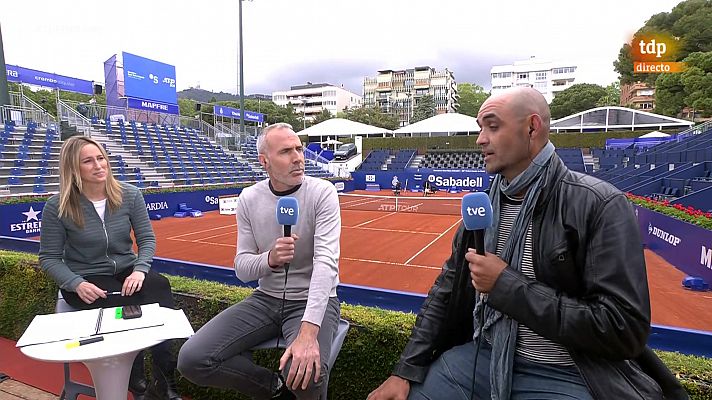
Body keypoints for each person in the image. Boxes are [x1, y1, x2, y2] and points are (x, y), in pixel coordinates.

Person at [367, 87, 687, 400]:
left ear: (532, 127)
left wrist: (506, 285)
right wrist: (404, 371)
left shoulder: (599, 203)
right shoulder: (482, 208)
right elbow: (446, 290)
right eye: (481, 128)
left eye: (493, 126)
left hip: (570, 371)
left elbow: (622, 328)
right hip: (483, 356)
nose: (480, 139)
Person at [177, 123, 341, 400]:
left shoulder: (322, 192)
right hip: (265, 298)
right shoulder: (249, 199)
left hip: (313, 300)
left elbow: (326, 263)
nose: (298, 157)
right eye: (286, 151)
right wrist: (271, 259)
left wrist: (308, 332)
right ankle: (273, 387)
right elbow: (242, 268)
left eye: (299, 149)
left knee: (305, 373)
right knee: (192, 359)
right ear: (264, 161)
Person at [39, 136, 183, 400]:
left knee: (159, 287)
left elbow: (147, 239)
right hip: (86, 278)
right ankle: (135, 379)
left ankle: (165, 381)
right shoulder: (57, 206)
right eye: (88, 161)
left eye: (101, 158)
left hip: (127, 269)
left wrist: (140, 269)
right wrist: (75, 283)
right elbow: (49, 258)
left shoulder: (129, 194)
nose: (98, 165)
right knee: (121, 302)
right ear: (73, 168)